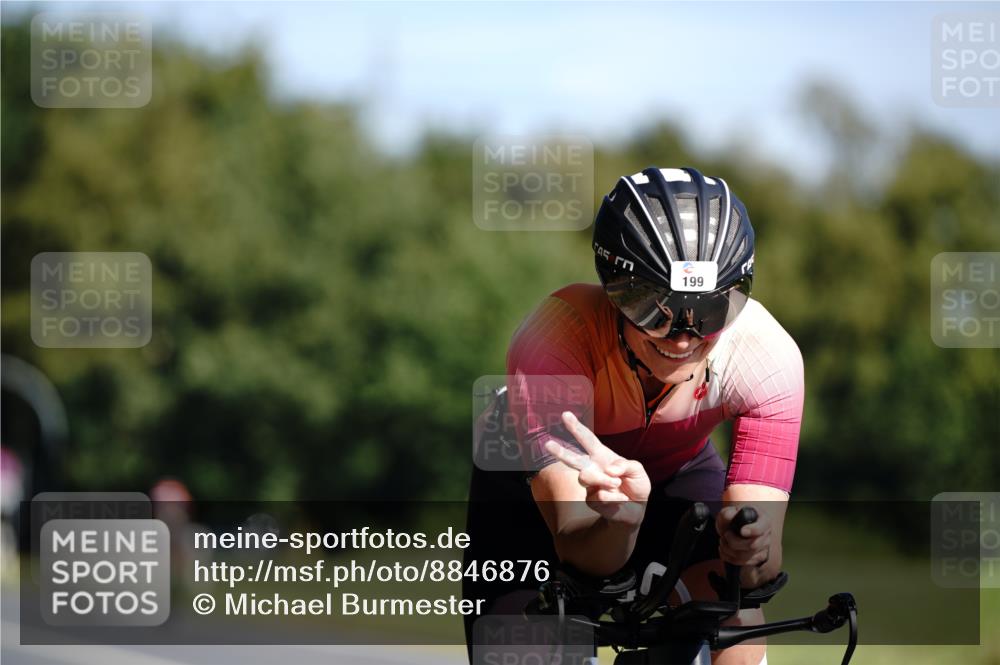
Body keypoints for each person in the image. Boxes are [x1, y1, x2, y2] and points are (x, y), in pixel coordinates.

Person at [464, 167, 804, 665]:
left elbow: (758, 572)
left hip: (677, 471)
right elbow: (578, 549)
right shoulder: (556, 337)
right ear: (613, 288)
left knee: (736, 621)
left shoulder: (767, 357)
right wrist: (621, 526)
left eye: (709, 311)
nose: (682, 337)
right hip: (524, 482)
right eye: (654, 310)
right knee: (526, 645)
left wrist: (749, 554)